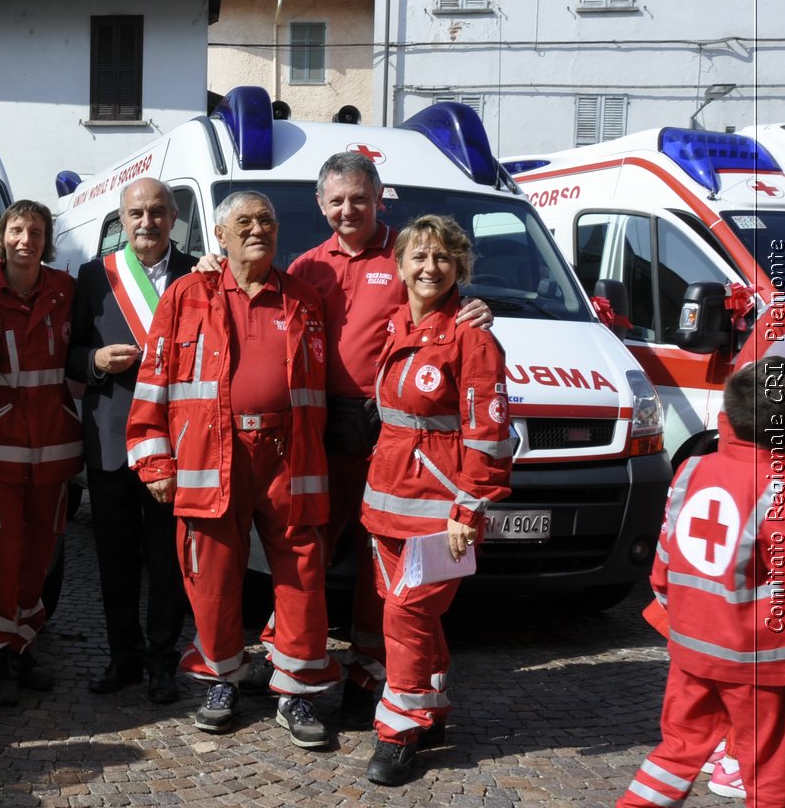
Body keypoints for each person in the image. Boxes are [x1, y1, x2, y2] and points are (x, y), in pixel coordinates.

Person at [284, 152, 491, 727]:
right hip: (322, 424)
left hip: (395, 430)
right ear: (322, 205)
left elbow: (440, 302)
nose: (348, 210)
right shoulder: (307, 265)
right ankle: (299, 673)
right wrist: (208, 265)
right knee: (310, 550)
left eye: (359, 198)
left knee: (383, 556)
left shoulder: (408, 256)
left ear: (380, 197)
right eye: (336, 200)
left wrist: (475, 307)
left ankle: (372, 670)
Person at [125, 191, 338, 740]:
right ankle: (224, 676)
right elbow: (154, 382)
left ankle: (296, 691)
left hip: (289, 458)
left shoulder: (304, 298)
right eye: (242, 222)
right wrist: (153, 459)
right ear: (218, 236)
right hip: (209, 458)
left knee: (302, 575)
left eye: (266, 219)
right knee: (212, 576)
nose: (256, 229)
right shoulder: (184, 295)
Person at [592, 356, 785, 808]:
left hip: (693, 645)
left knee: (682, 742)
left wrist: (673, 614)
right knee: (771, 768)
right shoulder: (783, 490)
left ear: (727, 417)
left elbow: (666, 556)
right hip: (760, 661)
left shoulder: (693, 470)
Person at [360, 215, 512, 786]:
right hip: (388, 503)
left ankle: (398, 733)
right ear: (399, 267)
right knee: (414, 618)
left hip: (441, 513)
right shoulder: (397, 323)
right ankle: (435, 707)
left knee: (406, 615)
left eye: (443, 258)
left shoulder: (474, 337)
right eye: (419, 257)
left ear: (460, 268)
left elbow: (489, 437)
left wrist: (470, 509)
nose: (430, 268)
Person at [67, 177, 193, 705]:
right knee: (115, 558)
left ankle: (164, 661)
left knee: (168, 559)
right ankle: (123, 657)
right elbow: (69, 351)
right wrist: (93, 362)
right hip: (111, 440)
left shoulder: (199, 272)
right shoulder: (96, 275)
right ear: (121, 219)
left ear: (172, 218)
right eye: (137, 213)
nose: (147, 223)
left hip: (178, 442)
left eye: (158, 212)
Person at [0, 200, 83, 705]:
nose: (26, 239)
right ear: (2, 237)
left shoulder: (66, 291)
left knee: (37, 557)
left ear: (47, 239)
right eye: (17, 229)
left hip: (54, 448)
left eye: (36, 230)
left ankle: (21, 644)